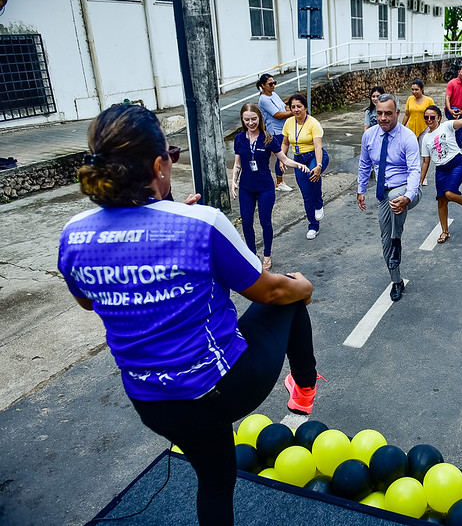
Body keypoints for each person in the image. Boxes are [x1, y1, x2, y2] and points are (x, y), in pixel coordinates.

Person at [58, 104, 319, 525]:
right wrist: (304, 286)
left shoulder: (74, 234)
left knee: (216, 481)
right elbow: (269, 291)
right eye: (172, 157)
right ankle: (304, 386)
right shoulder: (200, 224)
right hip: (221, 386)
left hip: (153, 403)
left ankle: (302, 386)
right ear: (159, 164)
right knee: (288, 294)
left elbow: (90, 300)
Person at [357, 94, 422, 302]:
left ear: (398, 113)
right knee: (385, 243)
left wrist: (409, 196)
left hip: (408, 190)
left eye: (388, 113)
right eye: (379, 113)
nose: (383, 118)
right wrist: (361, 189)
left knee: (396, 196)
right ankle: (396, 280)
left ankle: (397, 239)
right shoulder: (369, 136)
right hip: (384, 194)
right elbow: (365, 164)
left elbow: (414, 171)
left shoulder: (407, 137)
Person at [232, 103, 309, 271]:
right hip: (246, 187)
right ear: (242, 120)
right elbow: (237, 164)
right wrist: (233, 181)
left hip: (265, 187)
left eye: (254, 119)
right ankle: (252, 254)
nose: (251, 123)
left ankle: (267, 255)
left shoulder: (268, 138)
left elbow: (284, 159)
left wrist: (298, 165)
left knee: (265, 222)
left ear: (259, 118)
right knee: (246, 222)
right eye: (247, 120)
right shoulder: (239, 139)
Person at [419, 104, 462, 243]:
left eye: (432, 117)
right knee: (441, 201)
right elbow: (426, 162)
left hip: (457, 164)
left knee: (449, 193)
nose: (429, 120)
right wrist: (420, 181)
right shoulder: (426, 138)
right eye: (426, 117)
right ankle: (445, 232)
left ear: (439, 118)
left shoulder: (447, 126)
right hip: (441, 170)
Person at [281, 94, 329, 240]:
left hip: (315, 156)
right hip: (298, 160)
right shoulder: (288, 123)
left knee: (313, 175)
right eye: (293, 107)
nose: (296, 109)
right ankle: (313, 225)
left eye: (299, 106)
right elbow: (285, 143)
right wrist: (282, 159)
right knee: (306, 194)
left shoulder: (313, 123)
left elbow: (318, 146)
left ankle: (319, 203)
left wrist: (319, 165)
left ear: (305, 108)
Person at [257, 74, 293, 192]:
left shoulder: (274, 95)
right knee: (280, 155)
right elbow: (277, 115)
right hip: (275, 130)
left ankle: (278, 180)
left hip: (283, 128)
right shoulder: (264, 100)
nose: (273, 86)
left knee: (283, 155)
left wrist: (291, 109)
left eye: (274, 83)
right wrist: (295, 112)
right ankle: (279, 182)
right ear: (263, 85)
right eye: (270, 84)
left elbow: (284, 108)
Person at [402, 79, 435, 186]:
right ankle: (411, 175)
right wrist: (401, 127)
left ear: (422, 89)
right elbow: (407, 114)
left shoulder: (428, 100)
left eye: (416, 89)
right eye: (412, 90)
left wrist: (434, 128)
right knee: (411, 153)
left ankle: (423, 176)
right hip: (411, 129)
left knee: (423, 153)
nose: (414, 92)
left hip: (424, 129)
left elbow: (433, 115)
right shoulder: (410, 99)